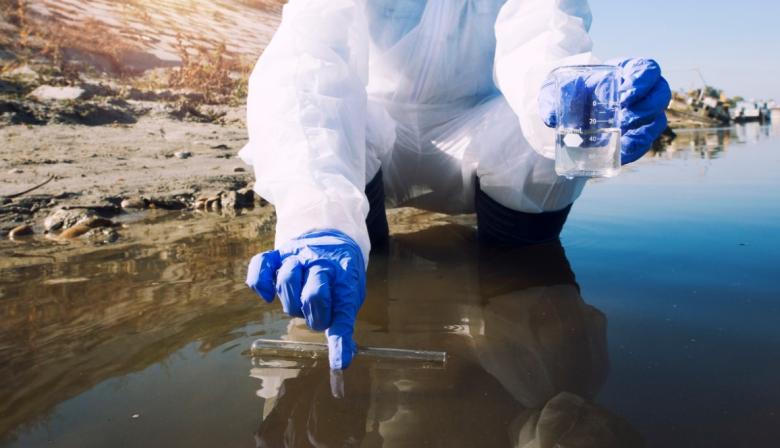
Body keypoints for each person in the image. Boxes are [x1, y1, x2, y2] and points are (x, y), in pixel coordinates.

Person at [241, 0, 671, 369]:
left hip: (483, 126)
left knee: (548, 152)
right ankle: (344, 252)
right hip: (374, 126)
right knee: (324, 133)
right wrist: (317, 216)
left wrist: (570, 94)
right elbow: (311, 58)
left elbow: (543, 31)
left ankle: (517, 307)